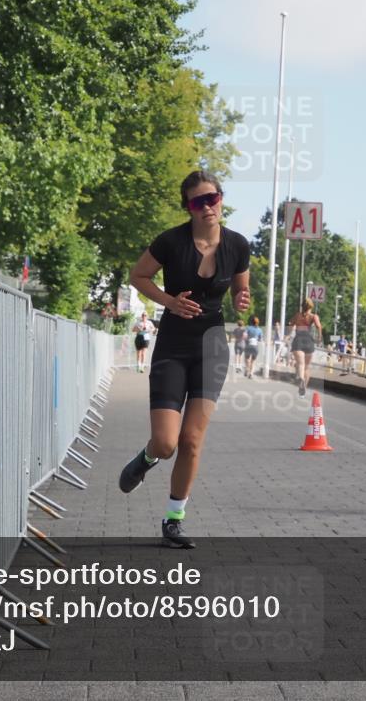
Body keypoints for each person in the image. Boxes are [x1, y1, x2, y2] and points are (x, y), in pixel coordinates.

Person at [121, 170, 251, 548]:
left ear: (221, 199)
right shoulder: (170, 242)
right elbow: (138, 276)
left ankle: (173, 520)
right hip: (174, 346)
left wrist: (242, 299)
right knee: (166, 443)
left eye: (213, 198)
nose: (208, 207)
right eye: (198, 202)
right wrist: (169, 302)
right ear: (189, 208)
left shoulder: (238, 245)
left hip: (212, 348)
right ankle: (145, 459)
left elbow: (241, 289)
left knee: (192, 440)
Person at [288, 298, 322, 397]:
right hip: (308, 340)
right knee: (307, 367)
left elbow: (290, 324)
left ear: (302, 306)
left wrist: (289, 334)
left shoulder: (297, 315)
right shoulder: (313, 316)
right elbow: (319, 326)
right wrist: (319, 338)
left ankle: (301, 378)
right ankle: (303, 389)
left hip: (298, 340)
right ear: (311, 307)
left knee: (300, 364)